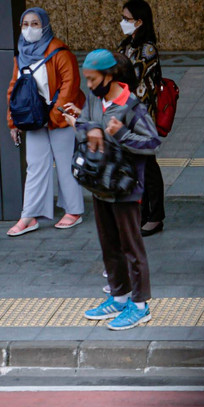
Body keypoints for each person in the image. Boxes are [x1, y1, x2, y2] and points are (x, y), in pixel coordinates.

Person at [61, 49, 161, 330]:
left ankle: (140, 305)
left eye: (92, 80)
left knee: (131, 245)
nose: (89, 86)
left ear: (110, 75)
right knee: (109, 245)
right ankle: (119, 296)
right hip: (100, 185)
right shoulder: (95, 100)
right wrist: (80, 122)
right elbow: (94, 131)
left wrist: (122, 134)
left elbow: (152, 143)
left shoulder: (131, 106)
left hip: (124, 186)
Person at [5, 7, 85, 237]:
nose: (29, 29)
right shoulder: (21, 54)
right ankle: (29, 215)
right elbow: (14, 89)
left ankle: (74, 211)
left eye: (35, 24)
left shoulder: (60, 52)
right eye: (25, 24)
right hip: (34, 119)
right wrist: (14, 122)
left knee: (65, 162)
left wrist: (53, 117)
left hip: (59, 117)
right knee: (35, 166)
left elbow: (70, 86)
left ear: (46, 26)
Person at [115, 0, 164, 237]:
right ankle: (141, 213)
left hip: (142, 116)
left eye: (127, 19)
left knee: (148, 166)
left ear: (140, 21)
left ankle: (155, 216)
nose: (123, 22)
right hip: (125, 113)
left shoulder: (147, 49)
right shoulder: (126, 45)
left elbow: (133, 78)